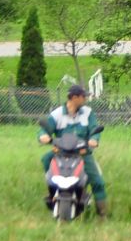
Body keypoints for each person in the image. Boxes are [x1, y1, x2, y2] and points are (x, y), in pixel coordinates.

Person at [39, 84, 107, 218]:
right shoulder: (57, 114)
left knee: (97, 182)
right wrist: (43, 136)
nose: (85, 100)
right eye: (83, 97)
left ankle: (102, 214)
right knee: (46, 159)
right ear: (74, 97)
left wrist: (94, 139)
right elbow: (45, 129)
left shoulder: (88, 112)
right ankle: (52, 190)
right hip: (61, 152)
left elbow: (94, 128)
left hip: (82, 153)